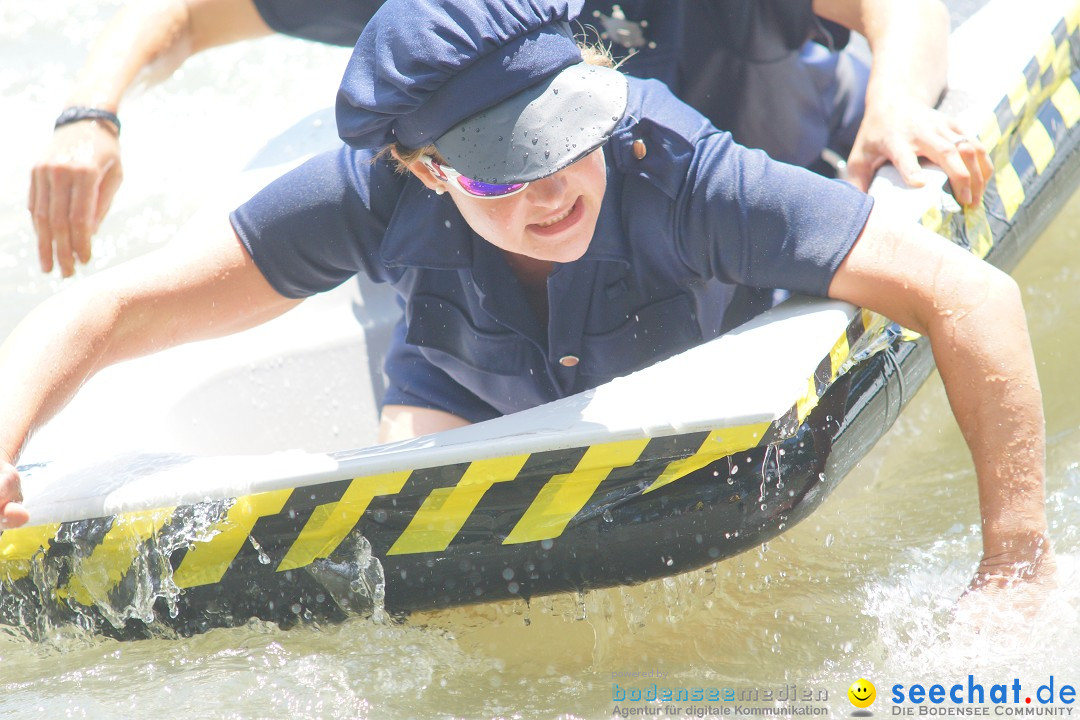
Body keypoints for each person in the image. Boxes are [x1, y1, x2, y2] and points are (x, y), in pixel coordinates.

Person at [3, 0, 1050, 603]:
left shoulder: (677, 170)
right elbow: (101, 315)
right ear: (423, 170)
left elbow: (973, 297)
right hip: (466, 373)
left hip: (731, 238)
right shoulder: (371, 186)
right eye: (505, 170)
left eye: (563, 140)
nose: (552, 189)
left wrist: (1016, 562)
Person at [29, 0, 990, 277]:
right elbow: (194, 13)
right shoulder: (439, 19)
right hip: (534, 214)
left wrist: (901, 99)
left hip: (756, 173)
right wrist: (90, 113)